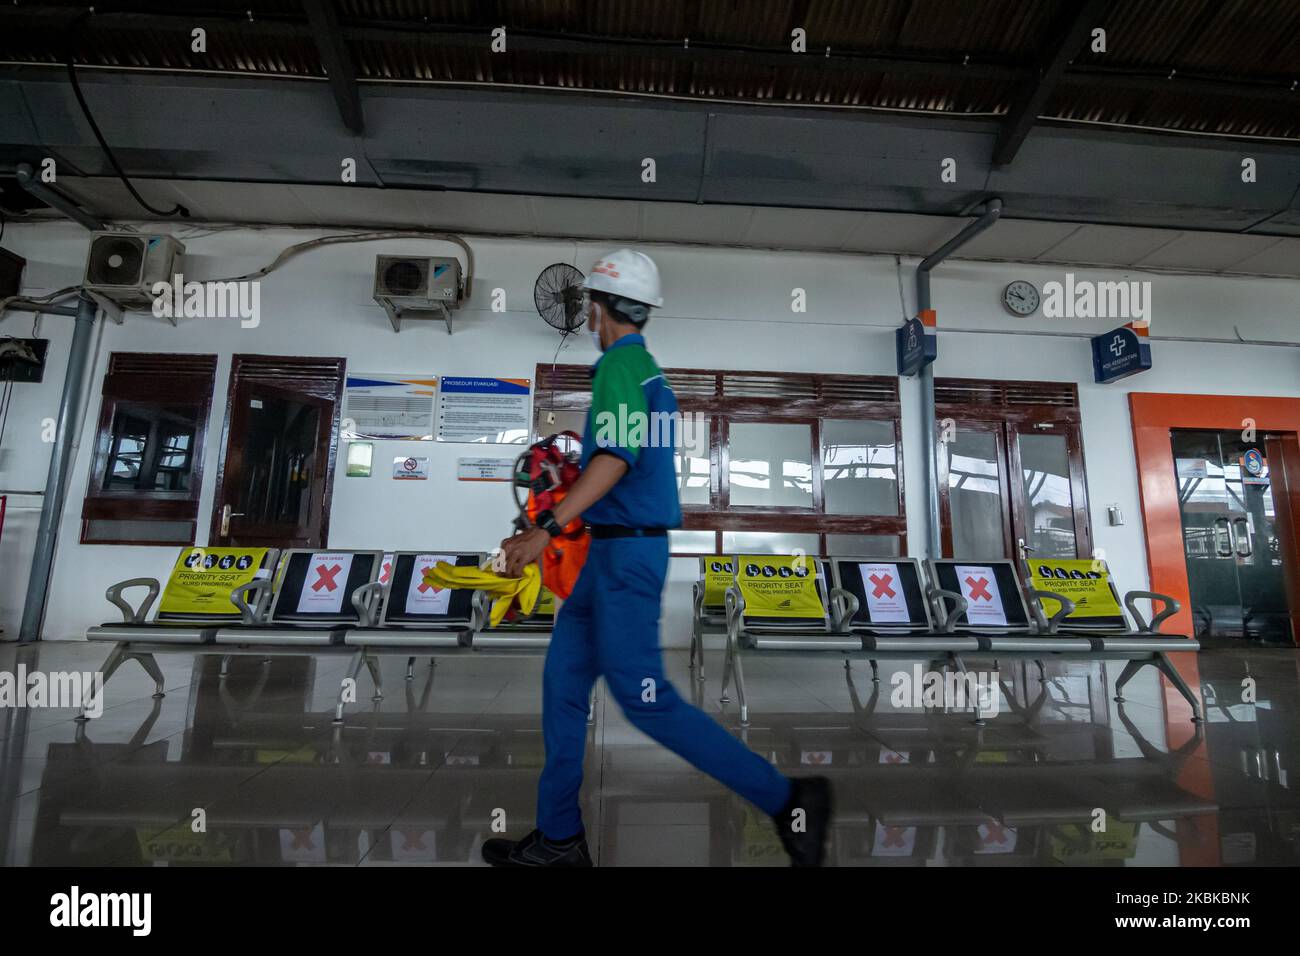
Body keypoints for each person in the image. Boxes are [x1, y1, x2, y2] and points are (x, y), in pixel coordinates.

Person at [483, 249, 832, 867]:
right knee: (563, 687)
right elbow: (615, 464)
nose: (588, 316)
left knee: (646, 700)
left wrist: (542, 526)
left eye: (589, 304)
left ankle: (788, 800)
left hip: (626, 560)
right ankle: (560, 838)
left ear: (597, 307)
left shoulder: (621, 366)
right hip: (606, 559)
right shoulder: (647, 378)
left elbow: (613, 461)